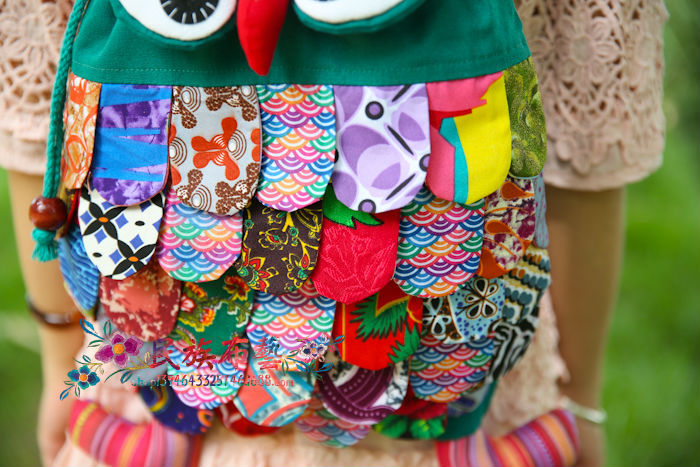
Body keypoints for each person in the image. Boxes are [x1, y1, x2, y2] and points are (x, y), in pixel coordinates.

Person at [0, 1, 666, 466]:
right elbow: (587, 160)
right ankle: (461, 437)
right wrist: (579, 397)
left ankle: (170, 427)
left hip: (153, 365)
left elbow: (31, 123)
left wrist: (61, 356)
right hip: (451, 389)